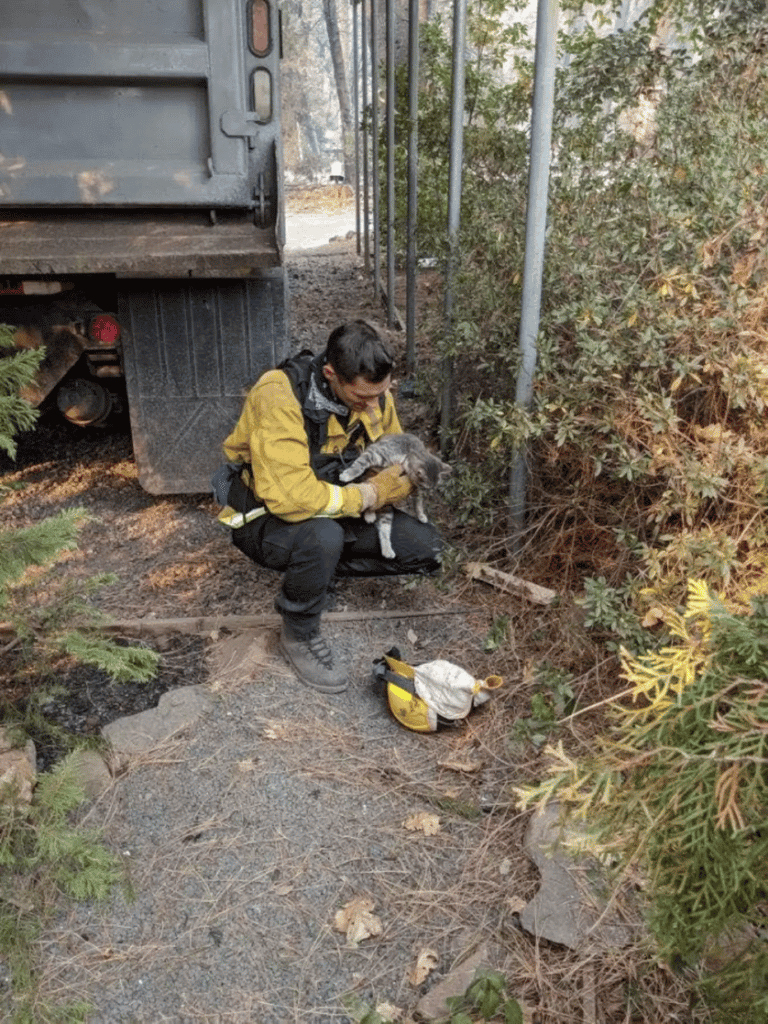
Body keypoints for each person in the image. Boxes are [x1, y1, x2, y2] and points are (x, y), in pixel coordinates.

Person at [217, 320, 444, 694]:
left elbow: (396, 456)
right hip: (269, 517)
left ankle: (318, 572)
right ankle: (299, 630)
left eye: (381, 395)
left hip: (337, 506)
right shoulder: (278, 394)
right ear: (330, 374)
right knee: (322, 535)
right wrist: (370, 495)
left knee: (427, 549)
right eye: (362, 399)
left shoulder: (375, 394)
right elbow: (290, 498)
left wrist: (402, 478)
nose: (374, 406)